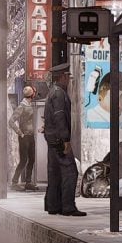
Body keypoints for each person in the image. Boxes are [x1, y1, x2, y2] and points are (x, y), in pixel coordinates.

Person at [43, 63, 86, 216]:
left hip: (52, 138)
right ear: (62, 76)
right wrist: (66, 139)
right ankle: (68, 206)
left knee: (54, 172)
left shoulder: (52, 92)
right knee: (70, 172)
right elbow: (59, 116)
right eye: (67, 76)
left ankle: (53, 206)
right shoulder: (59, 93)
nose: (69, 80)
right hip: (59, 140)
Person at [9, 85, 38, 191]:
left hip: (30, 136)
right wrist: (20, 133)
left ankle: (28, 182)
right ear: (32, 94)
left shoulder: (30, 104)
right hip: (24, 136)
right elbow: (11, 121)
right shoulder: (22, 106)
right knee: (24, 160)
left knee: (32, 159)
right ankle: (14, 182)